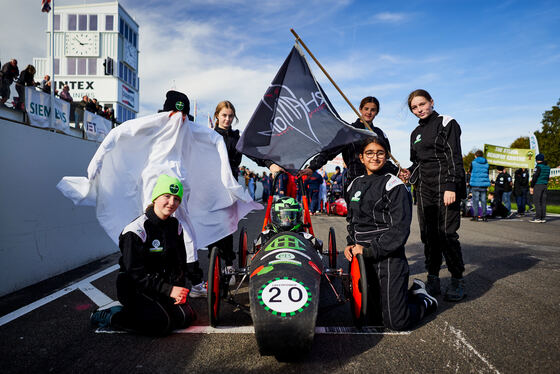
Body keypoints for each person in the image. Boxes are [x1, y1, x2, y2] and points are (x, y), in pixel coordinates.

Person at [345, 136, 438, 331]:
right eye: (369, 153)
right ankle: (401, 297)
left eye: (380, 153)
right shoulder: (354, 184)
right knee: (370, 317)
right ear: (361, 158)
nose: (375, 157)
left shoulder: (394, 185)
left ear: (387, 156)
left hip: (388, 258)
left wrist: (369, 250)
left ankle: (422, 298)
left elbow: (400, 230)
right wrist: (350, 243)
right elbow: (352, 221)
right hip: (362, 258)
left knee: (396, 322)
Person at [90, 174, 196, 335]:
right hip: (133, 287)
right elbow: (135, 273)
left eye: (176, 198)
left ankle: (148, 309)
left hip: (159, 286)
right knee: (161, 324)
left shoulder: (176, 226)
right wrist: (168, 290)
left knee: (185, 317)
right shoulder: (136, 230)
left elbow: (178, 262)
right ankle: (112, 316)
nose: (171, 203)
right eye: (166, 196)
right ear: (155, 198)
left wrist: (178, 288)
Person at [405, 89, 467, 301]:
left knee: (447, 234)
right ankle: (433, 278)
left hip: (445, 187)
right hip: (424, 189)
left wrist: (451, 185)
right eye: (414, 107)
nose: (419, 109)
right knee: (428, 235)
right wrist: (408, 172)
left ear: (431, 102)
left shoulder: (447, 122)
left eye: (422, 104)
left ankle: (457, 279)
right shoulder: (415, 133)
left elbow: (454, 157)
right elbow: (417, 163)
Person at [300, 96, 397, 193]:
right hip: (356, 181)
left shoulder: (379, 133)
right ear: (360, 109)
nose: (369, 112)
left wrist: (398, 171)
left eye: (373, 110)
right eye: (366, 109)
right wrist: (312, 167)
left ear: (377, 112)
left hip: (378, 182)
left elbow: (385, 158)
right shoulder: (348, 131)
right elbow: (329, 151)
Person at [207, 100, 244, 285]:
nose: (227, 119)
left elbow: (254, 152)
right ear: (217, 116)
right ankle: (213, 263)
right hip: (211, 186)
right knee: (212, 225)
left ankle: (229, 264)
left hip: (229, 186)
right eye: (224, 115)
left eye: (230, 116)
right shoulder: (208, 135)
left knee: (227, 225)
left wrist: (270, 164)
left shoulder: (237, 138)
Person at [468, 150, 490, 221]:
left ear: (476, 155)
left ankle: (476, 216)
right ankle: (484, 216)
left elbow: (470, 171)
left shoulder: (473, 163)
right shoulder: (486, 163)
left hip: (475, 184)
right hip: (483, 184)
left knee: (475, 201)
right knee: (483, 200)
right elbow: (487, 172)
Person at [530, 154, 551, 223]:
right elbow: (547, 177)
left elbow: (535, 177)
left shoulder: (538, 167)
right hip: (545, 185)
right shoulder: (548, 167)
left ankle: (538, 217)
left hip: (538, 185)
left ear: (537, 160)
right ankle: (542, 217)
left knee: (537, 201)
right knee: (543, 202)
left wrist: (531, 186)